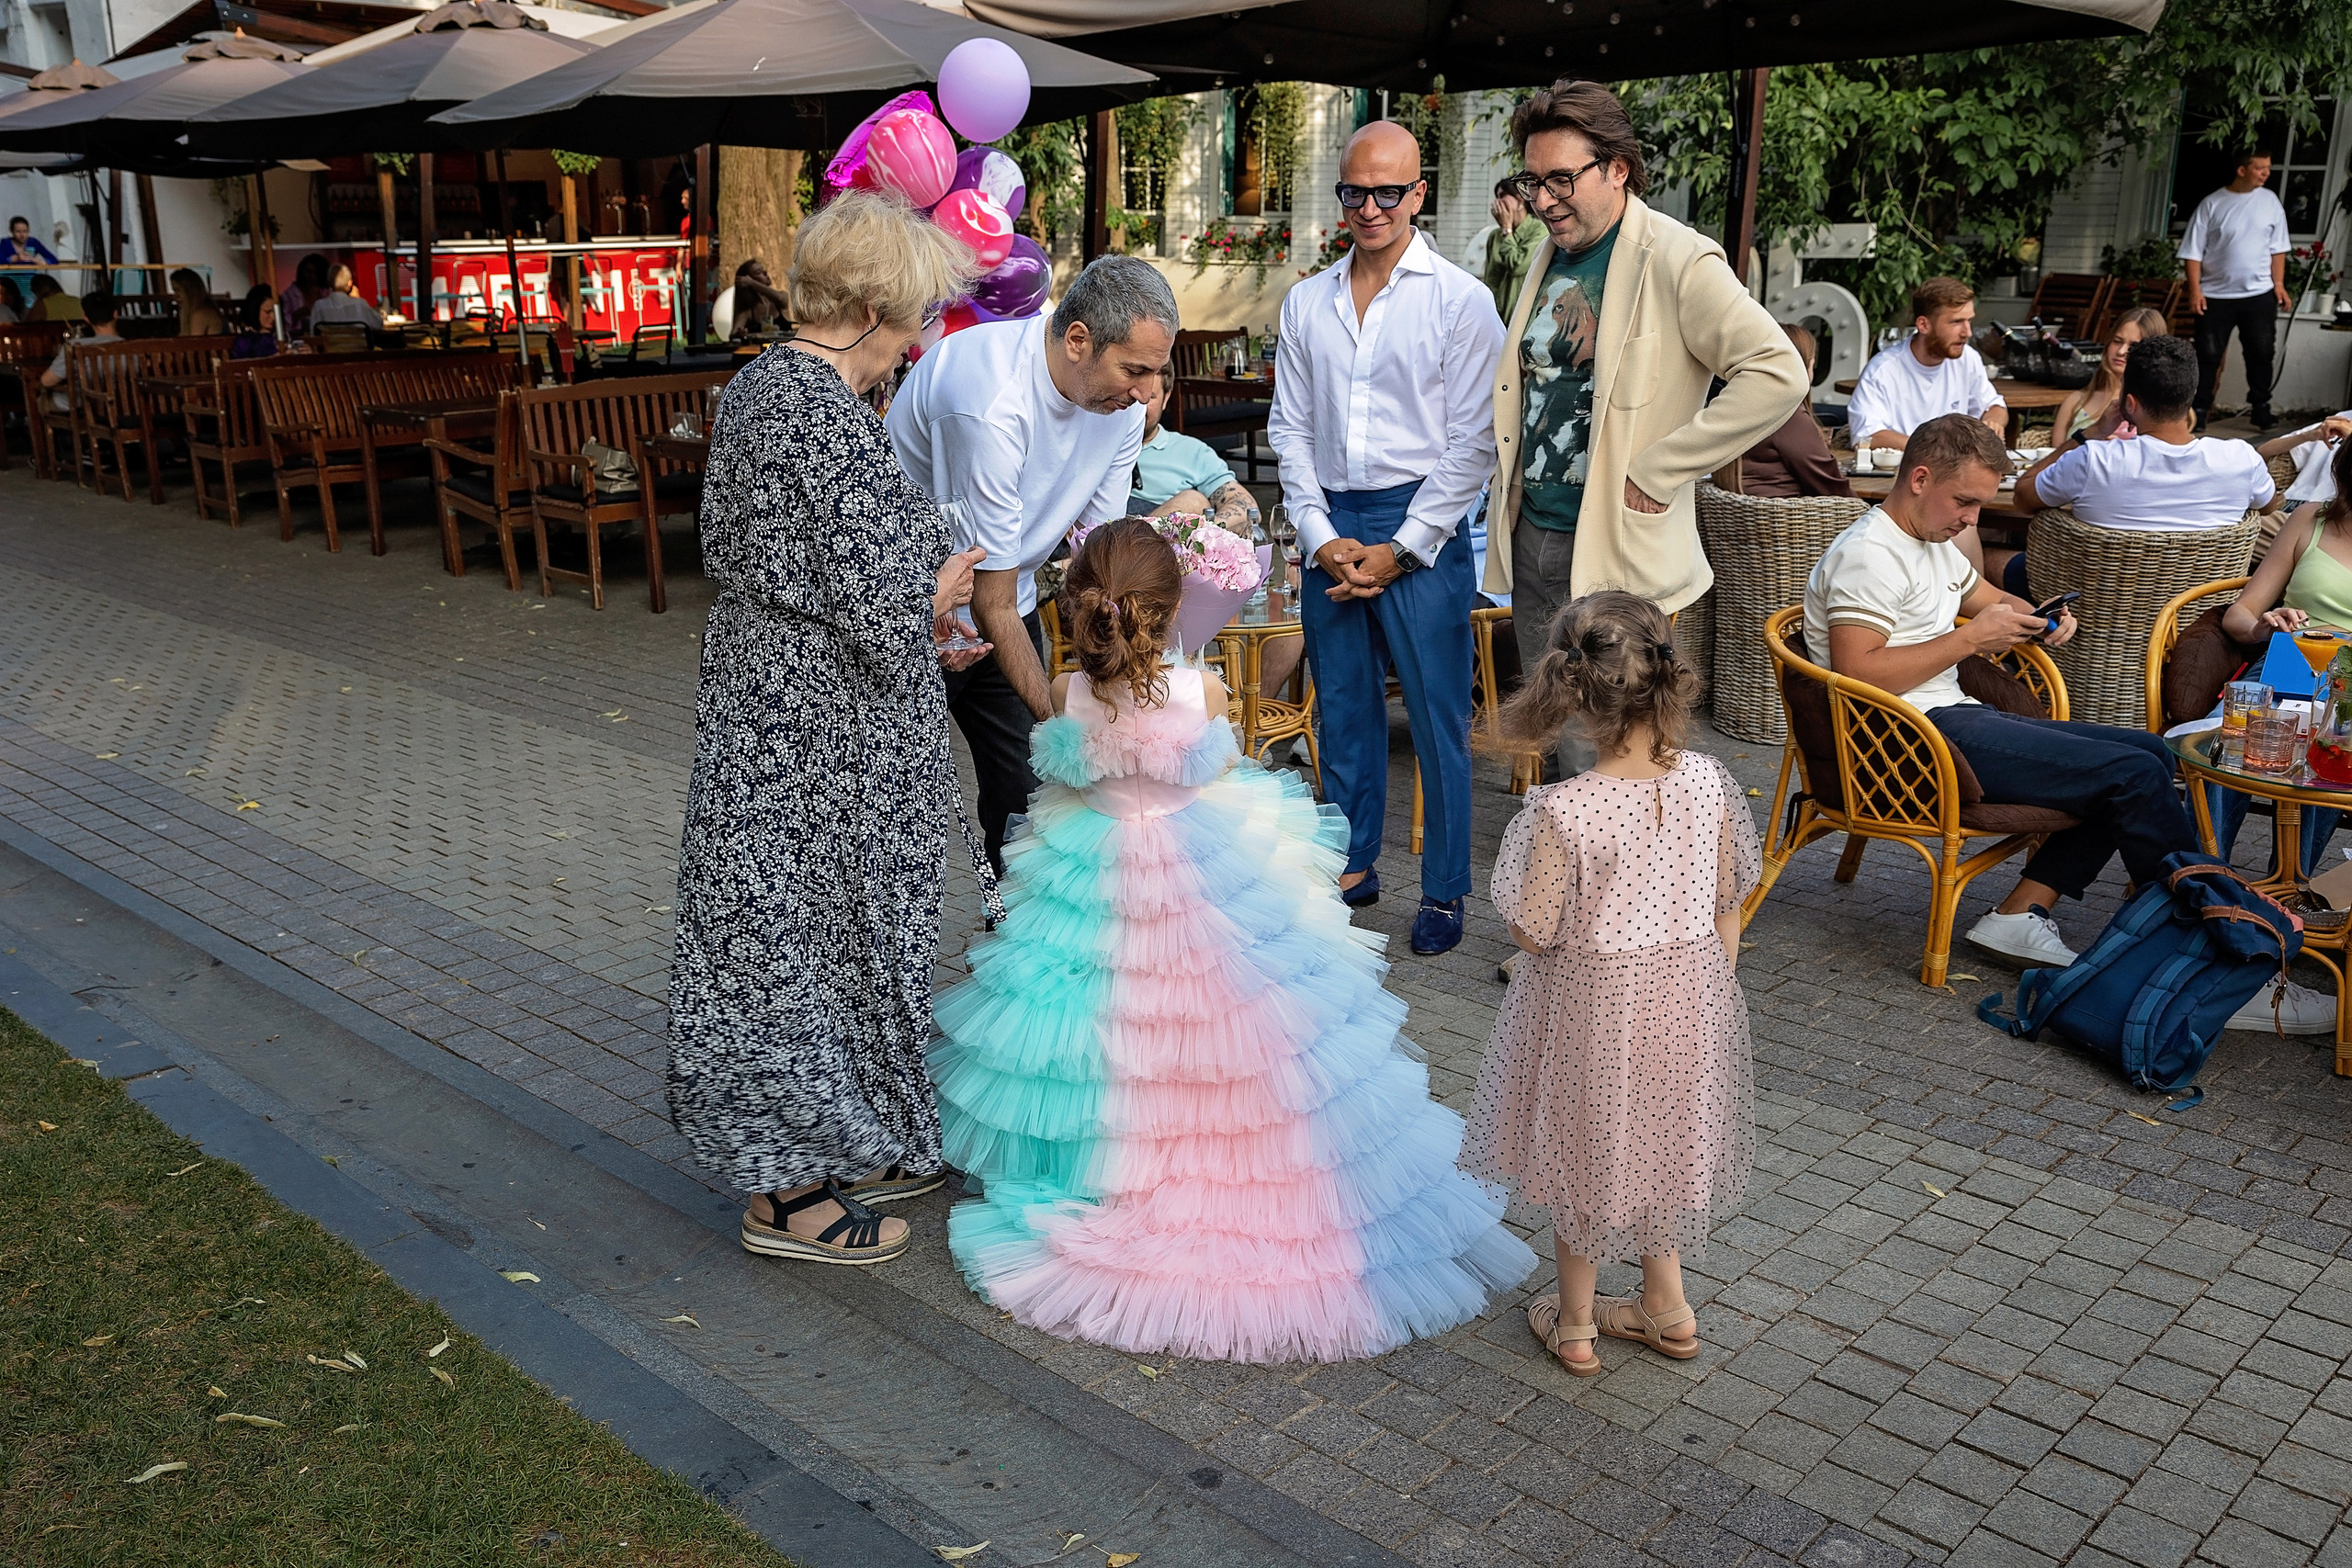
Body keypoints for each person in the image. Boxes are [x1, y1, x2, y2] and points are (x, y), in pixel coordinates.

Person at [928, 516, 1533, 1360]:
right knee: (1230, 1025)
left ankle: (1106, 1171)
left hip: (1092, 871)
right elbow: (1221, 771)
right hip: (1198, 868)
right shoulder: (1200, 691)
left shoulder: (1067, 690)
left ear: (1079, 611)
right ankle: (1230, 1156)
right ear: (1169, 609)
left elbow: (1071, 772)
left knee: (1100, 1033)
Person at [665, 191, 990, 1267]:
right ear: (865, 305)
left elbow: (836, 570)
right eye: (911, 316)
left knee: (814, 928)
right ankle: (786, 1195)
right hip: (806, 726)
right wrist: (938, 589)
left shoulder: (784, 391)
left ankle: (841, 1137)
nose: (918, 338)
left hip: (807, 712)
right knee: (788, 935)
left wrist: (920, 611)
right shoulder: (804, 401)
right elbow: (868, 581)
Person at [1802, 414, 2235, 979]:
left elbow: (1984, 596)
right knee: (2130, 772)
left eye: (1979, 505)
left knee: (2151, 752)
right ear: (1919, 479)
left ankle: (2021, 911)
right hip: (1904, 743)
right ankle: (2198, 943)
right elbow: (1859, 673)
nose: (1971, 519)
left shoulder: (1928, 539)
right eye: (1964, 502)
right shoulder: (1870, 556)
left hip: (1946, 720)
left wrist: (2038, 618)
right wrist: (1967, 640)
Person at [1484, 78, 1808, 779]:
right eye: (1532, 181)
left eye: (1562, 179)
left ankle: (1629, 883)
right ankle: (1572, 872)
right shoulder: (1550, 255)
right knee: (1559, 725)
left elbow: (1777, 372)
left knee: (1615, 740)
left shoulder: (1679, 257)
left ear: (1619, 168)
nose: (1542, 201)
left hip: (1620, 544)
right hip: (1536, 529)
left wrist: (1662, 467)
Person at [1467, 589, 1755, 1374]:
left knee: (1583, 1157)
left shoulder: (1565, 809)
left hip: (1595, 1011)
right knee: (1657, 1147)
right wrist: (1710, 985)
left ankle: (1578, 1323)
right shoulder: (1709, 779)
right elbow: (1730, 895)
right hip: (1690, 1003)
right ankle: (1668, 1306)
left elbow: (1533, 929)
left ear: (1570, 691)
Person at [887, 255, 1170, 871]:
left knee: (1028, 807)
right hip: (910, 613)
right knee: (899, 813)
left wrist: (1124, 678)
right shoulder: (991, 403)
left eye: (1157, 372)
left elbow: (1096, 560)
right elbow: (985, 602)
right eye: (1135, 370)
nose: (1147, 394)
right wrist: (1068, 732)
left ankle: (1015, 955)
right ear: (1078, 341)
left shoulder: (1120, 408)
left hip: (1002, 608)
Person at [2217, 437, 2352, 982]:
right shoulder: (2311, 521)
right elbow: (2239, 614)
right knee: (2224, 754)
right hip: (2287, 669)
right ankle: (2204, 881)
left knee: (2327, 758)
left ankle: (2288, 895)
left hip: (2348, 690)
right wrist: (2265, 623)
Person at [1128, 361, 1303, 699]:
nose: (1138, 402)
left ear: (1165, 400)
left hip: (1179, 572)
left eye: (1150, 396)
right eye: (1133, 390)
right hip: (1119, 573)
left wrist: (1192, 533)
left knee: (1295, 604)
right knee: (1193, 500)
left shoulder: (1189, 452)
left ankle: (1251, 723)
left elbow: (1243, 504)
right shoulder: (1093, 446)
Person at [2015, 335, 2273, 532]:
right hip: (2203, 600)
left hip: (2095, 598)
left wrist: (2088, 434)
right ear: (2191, 394)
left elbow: (2022, 497)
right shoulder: (2241, 459)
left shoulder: (2093, 460)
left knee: (1991, 562)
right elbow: (2269, 505)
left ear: (2130, 403)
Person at [2180, 149, 2292, 432]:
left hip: (2258, 294)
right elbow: (2192, 252)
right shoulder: (2212, 204)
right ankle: (2200, 409)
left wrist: (2279, 285)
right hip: (2216, 295)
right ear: (2242, 170)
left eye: (2268, 167)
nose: (2267, 173)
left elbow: (2278, 248)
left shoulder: (2270, 202)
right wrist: (2195, 291)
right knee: (2207, 355)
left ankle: (2260, 408)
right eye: (2260, 168)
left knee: (2261, 351)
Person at [1844, 277, 2007, 450]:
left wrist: (1993, 422)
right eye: (1956, 322)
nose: (1967, 332)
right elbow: (1868, 436)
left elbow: (1995, 406)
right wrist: (1935, 450)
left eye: (1969, 321)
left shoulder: (1968, 358)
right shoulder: (1883, 370)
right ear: (1923, 325)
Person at [1739, 325, 1852, 498]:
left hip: (1745, 516)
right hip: (1790, 520)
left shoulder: (1746, 403)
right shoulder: (1786, 414)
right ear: (1804, 366)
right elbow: (1832, 488)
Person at [2051, 307, 2168, 445]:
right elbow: (2055, 461)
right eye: (2117, 341)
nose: (2121, 351)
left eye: (2133, 346)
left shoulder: (2161, 409)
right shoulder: (2075, 401)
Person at [39, 289, 119, 412]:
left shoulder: (75, 347)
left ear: (86, 318)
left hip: (82, 407)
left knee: (41, 401)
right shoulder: (135, 347)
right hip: (121, 408)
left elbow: (46, 381)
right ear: (115, 314)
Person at [1480, 175, 1546, 321]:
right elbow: (1490, 279)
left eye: (1502, 196)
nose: (1497, 202)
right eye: (1496, 197)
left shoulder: (1539, 230)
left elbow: (1518, 266)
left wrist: (1506, 230)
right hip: (1495, 318)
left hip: (1522, 319)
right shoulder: (1494, 236)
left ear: (1520, 200)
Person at [2256, 412, 2352, 509]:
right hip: (2293, 505)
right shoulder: (2343, 419)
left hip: (2334, 514)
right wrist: (2305, 436)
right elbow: (2263, 451)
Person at [727, 256, 790, 340]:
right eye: (758, 272)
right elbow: (733, 335)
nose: (765, 273)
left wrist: (752, 283)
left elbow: (780, 298)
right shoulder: (748, 311)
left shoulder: (779, 300)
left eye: (763, 270)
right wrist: (741, 333)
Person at [307, 265, 382, 329]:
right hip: (357, 346)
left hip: (331, 346)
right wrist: (358, 299)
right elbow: (378, 324)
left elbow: (313, 333)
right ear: (349, 283)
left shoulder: (319, 306)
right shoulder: (360, 304)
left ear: (329, 283)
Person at [280, 253, 331, 336]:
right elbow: (284, 325)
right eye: (308, 272)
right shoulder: (289, 295)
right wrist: (297, 315)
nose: (311, 276)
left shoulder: (327, 292)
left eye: (315, 272)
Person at [171, 268, 227, 336]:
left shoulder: (200, 314)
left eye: (179, 290)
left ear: (190, 291)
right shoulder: (200, 311)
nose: (175, 296)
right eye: (174, 291)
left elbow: (192, 344)